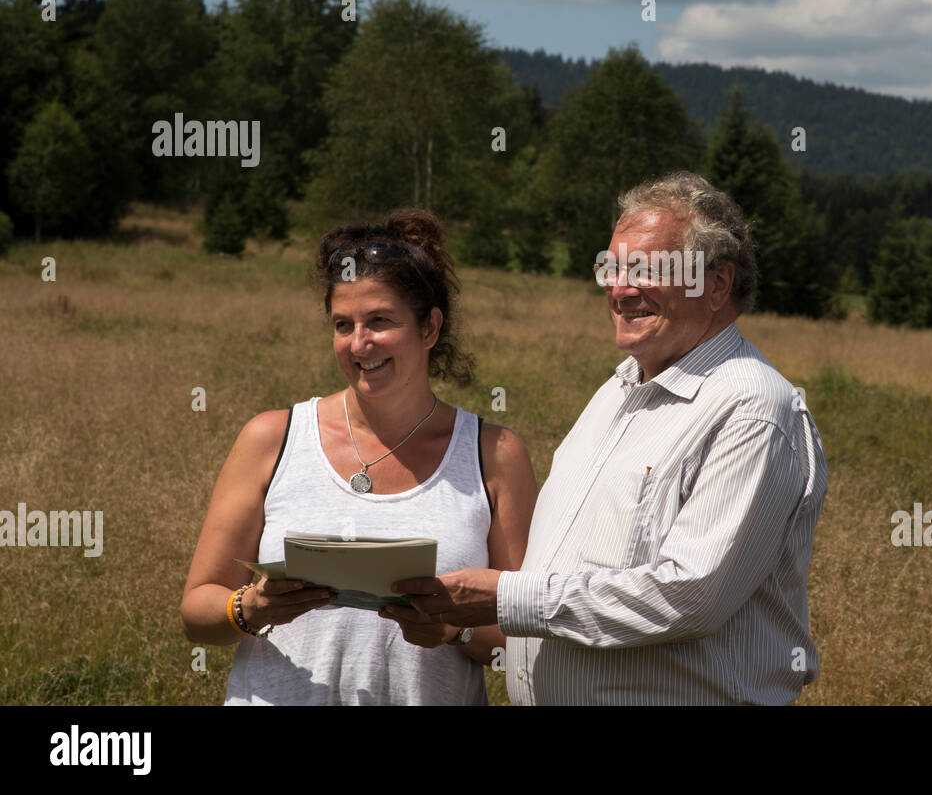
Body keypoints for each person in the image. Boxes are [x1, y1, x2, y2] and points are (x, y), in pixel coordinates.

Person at [402, 172, 828, 704]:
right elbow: (566, 577)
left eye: (646, 269)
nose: (620, 289)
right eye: (613, 267)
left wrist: (503, 597)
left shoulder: (752, 410)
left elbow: (689, 597)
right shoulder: (617, 389)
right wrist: (460, 624)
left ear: (717, 285)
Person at [180, 208, 537, 705]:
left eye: (380, 321)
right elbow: (197, 612)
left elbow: (525, 636)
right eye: (342, 324)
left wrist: (452, 628)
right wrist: (251, 606)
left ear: (429, 328)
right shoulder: (271, 438)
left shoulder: (494, 455)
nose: (359, 343)